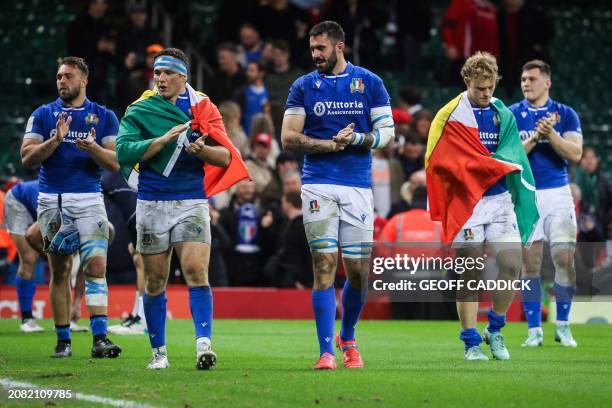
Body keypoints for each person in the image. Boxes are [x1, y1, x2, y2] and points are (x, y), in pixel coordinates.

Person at [116, 47, 248, 370]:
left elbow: (226, 157)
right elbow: (122, 151)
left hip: (191, 200)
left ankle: (204, 346)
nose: (160, 79)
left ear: (183, 77)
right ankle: (158, 353)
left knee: (195, 271)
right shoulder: (141, 109)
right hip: (151, 202)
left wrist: (202, 151)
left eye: (167, 73)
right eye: (157, 73)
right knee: (156, 280)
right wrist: (159, 143)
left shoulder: (203, 107)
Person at [282, 21, 395, 369]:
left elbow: (387, 132)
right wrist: (331, 144)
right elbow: (288, 137)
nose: (315, 54)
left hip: (358, 186)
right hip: (318, 182)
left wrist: (357, 140)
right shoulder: (303, 86)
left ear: (339, 47)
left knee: (359, 271)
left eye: (321, 49)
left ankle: (349, 337)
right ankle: (326, 351)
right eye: (312, 49)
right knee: (324, 265)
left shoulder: (369, 82)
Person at [425, 52, 538, 361]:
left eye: (490, 88)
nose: (486, 94)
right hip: (467, 202)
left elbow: (514, 155)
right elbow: (437, 160)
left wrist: (491, 166)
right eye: (479, 89)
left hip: (500, 200)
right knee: (470, 271)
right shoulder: (450, 116)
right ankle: (471, 341)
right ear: (467, 82)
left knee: (512, 264)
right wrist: (478, 166)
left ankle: (496, 329)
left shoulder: (505, 115)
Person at [20, 56, 122, 358]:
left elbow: (115, 162)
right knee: (60, 270)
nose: (62, 81)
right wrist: (55, 140)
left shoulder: (104, 116)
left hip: (90, 199)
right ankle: (63, 340)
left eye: (68, 76)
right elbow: (27, 159)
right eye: (59, 77)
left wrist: (93, 148)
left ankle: (100, 338)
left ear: (83, 80)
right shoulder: (42, 114)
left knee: (96, 266)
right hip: (52, 200)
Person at [510, 60, 583, 348]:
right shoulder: (512, 114)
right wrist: (535, 138)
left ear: (547, 82)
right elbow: (511, 158)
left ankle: (563, 326)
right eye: (523, 79)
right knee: (530, 264)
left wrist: (550, 134)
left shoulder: (565, 114)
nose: (526, 83)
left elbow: (575, 153)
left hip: (557, 192)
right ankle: (534, 331)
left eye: (531, 78)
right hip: (527, 195)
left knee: (564, 259)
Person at [4, 180, 44, 332]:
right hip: (17, 201)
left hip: (38, 209)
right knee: (28, 259)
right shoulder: (47, 194)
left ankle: (67, 320)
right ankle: (27, 319)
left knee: (62, 261)